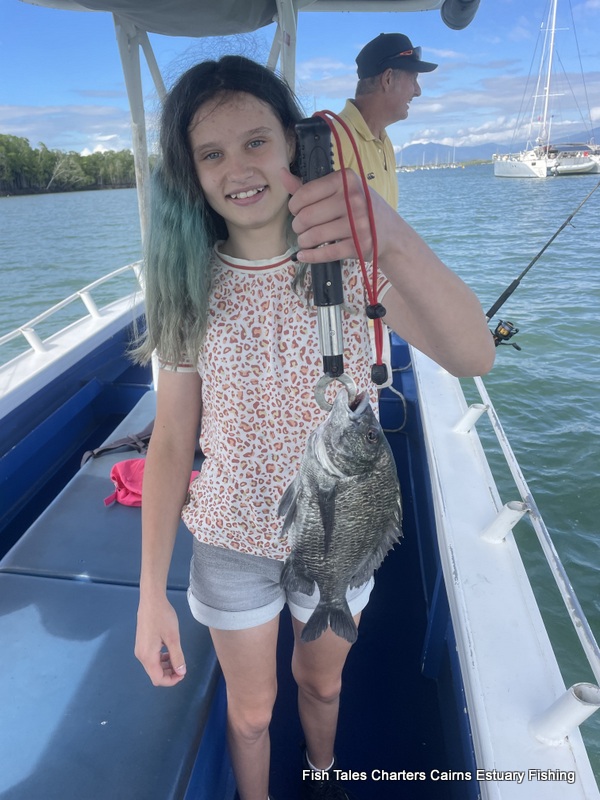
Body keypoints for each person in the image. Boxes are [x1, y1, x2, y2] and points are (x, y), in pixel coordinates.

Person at [133, 55, 494, 800]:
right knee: (254, 709)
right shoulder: (187, 284)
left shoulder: (355, 266)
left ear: (293, 145)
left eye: (256, 141)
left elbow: (471, 353)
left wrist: (386, 234)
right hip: (231, 536)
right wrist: (149, 595)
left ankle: (324, 775)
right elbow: (170, 441)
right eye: (212, 152)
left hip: (338, 535)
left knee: (320, 686)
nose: (238, 166)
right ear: (191, 173)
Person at [332, 32, 438, 209]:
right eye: (413, 79)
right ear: (388, 79)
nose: (418, 91)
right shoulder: (335, 138)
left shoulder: (385, 141)